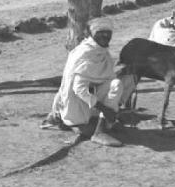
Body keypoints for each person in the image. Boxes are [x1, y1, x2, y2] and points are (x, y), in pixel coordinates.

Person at [41, 17, 129, 147]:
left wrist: (114, 109)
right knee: (90, 125)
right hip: (74, 104)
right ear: (92, 35)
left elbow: (108, 80)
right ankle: (99, 132)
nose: (105, 35)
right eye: (100, 32)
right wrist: (105, 109)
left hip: (88, 102)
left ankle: (100, 126)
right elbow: (79, 89)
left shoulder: (102, 53)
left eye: (108, 33)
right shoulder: (85, 53)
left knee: (116, 84)